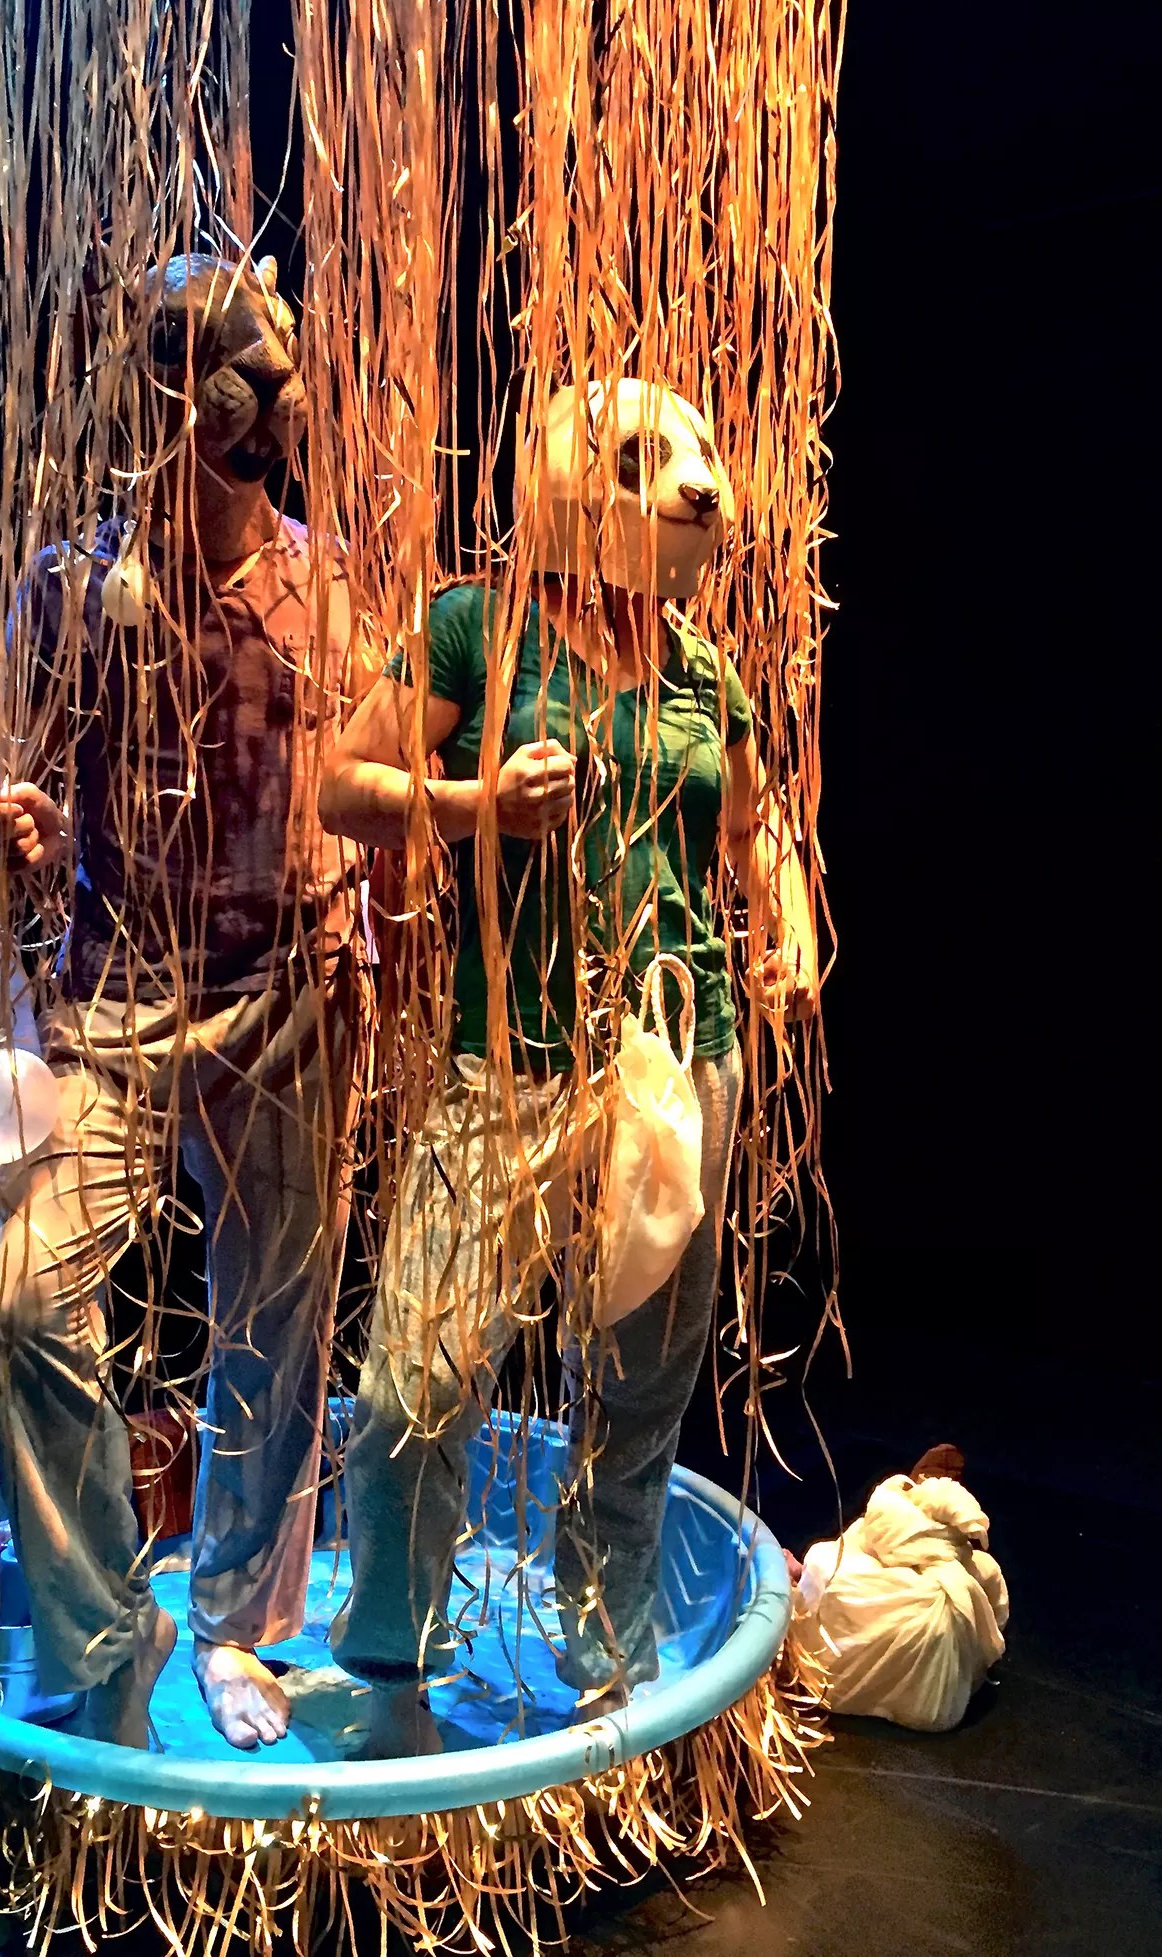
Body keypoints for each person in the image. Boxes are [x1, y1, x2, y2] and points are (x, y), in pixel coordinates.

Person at [318, 377, 818, 1755]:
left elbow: (754, 832)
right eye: (651, 463)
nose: (696, 488)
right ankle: (392, 1671)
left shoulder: (703, 669)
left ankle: (605, 1671)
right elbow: (345, 786)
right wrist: (478, 803)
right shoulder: (479, 630)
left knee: (641, 1387)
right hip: (515, 1065)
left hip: (678, 1067)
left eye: (701, 458)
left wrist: (781, 929)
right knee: (415, 1385)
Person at [0, 253, 362, 1750]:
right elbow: (36, 791)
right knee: (22, 1300)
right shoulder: (78, 588)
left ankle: (239, 1622)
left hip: (283, 991)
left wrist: (364, 907)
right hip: (118, 994)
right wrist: (28, 837)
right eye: (219, 370)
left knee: (276, 1316)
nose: (257, 398)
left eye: (270, 367)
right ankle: (100, 1622)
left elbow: (357, 777)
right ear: (161, 395)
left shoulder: (327, 586)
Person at [792, 1445, 1010, 1733]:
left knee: (826, 1568)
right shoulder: (976, 1568)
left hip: (905, 1570)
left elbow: (875, 1539)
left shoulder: (887, 1514)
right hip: (936, 1711)